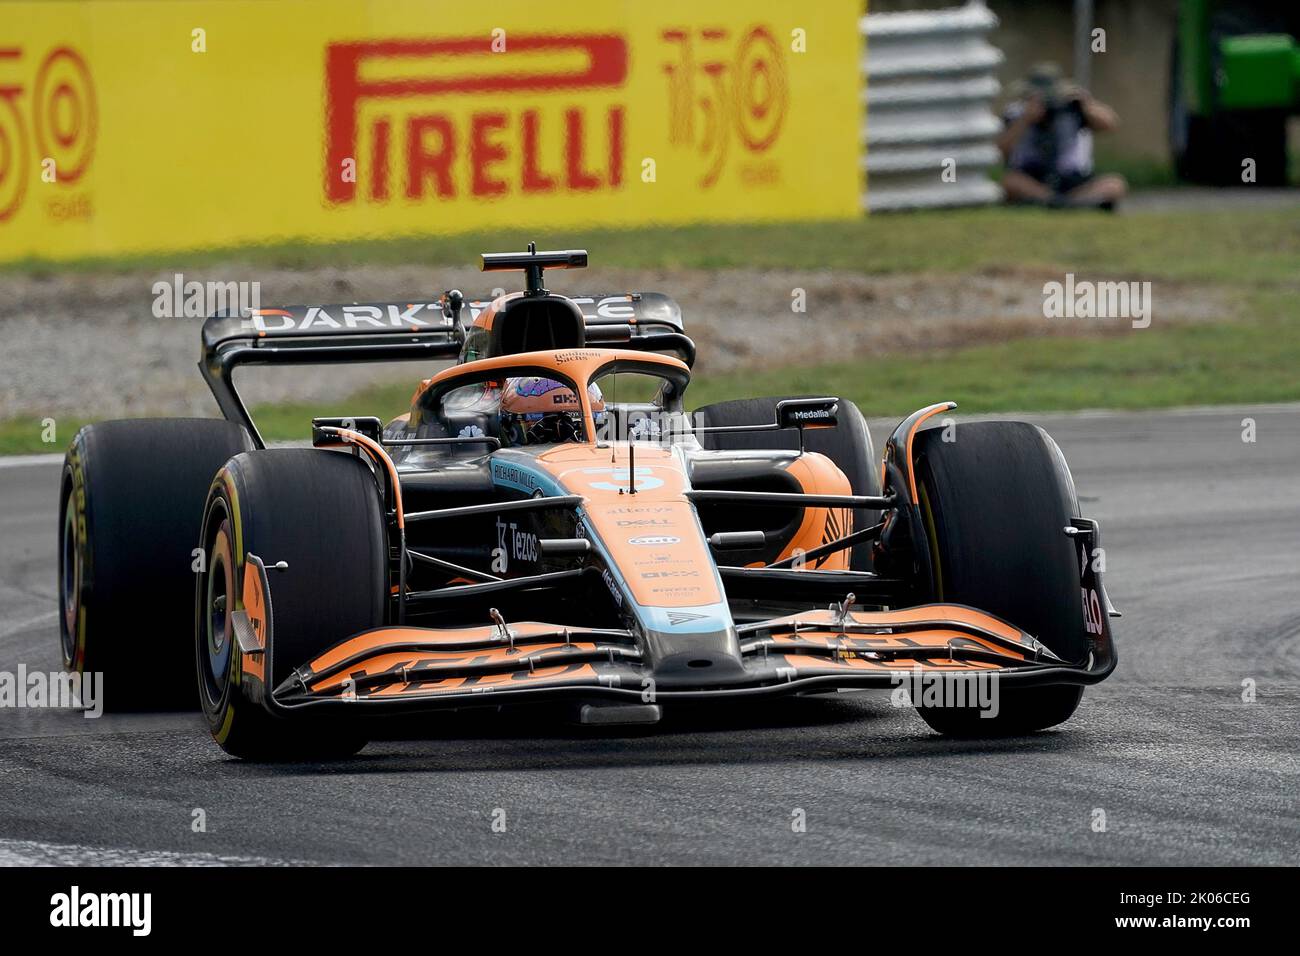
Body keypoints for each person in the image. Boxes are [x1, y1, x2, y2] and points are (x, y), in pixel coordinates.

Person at [998, 63, 1128, 210]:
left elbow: (1111, 124)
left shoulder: (1074, 108)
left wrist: (1087, 105)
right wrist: (1025, 120)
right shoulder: (1016, 113)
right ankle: (1059, 203)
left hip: (1073, 178)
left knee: (1115, 185)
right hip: (1033, 176)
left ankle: (1068, 203)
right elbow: (1001, 150)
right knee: (1011, 182)